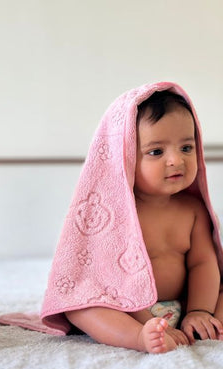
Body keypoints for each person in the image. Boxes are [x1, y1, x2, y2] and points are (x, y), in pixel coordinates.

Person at [64, 90, 223, 353]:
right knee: (81, 308)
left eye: (186, 147)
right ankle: (138, 337)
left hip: (185, 302)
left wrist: (198, 310)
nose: (176, 160)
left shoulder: (193, 210)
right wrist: (147, 322)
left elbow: (203, 264)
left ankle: (201, 323)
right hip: (127, 309)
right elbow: (109, 279)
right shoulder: (115, 215)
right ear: (122, 157)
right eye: (156, 151)